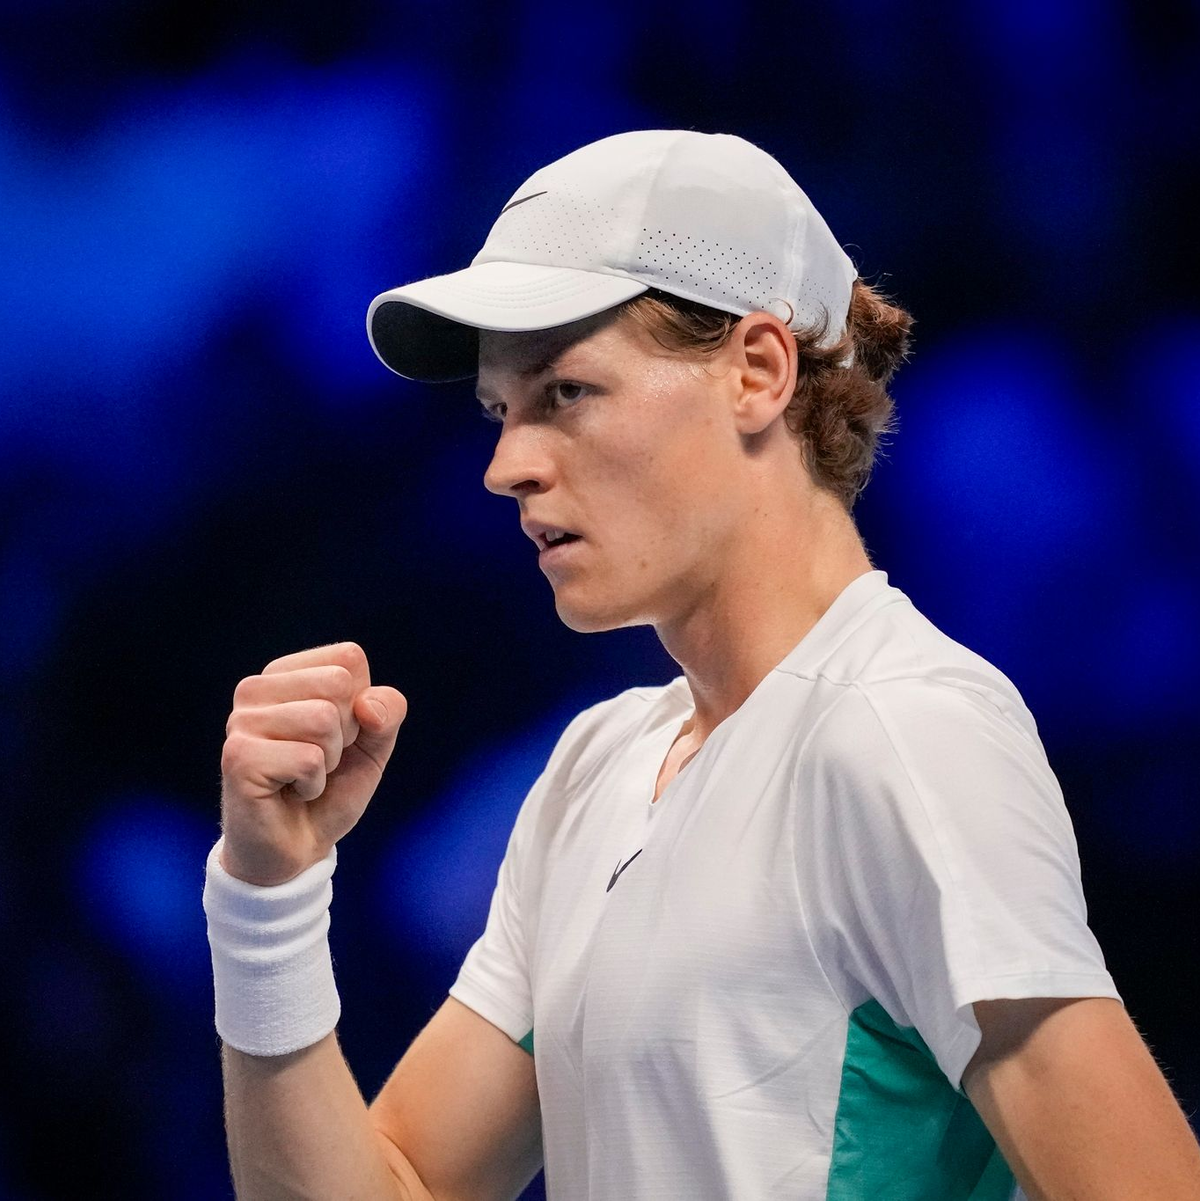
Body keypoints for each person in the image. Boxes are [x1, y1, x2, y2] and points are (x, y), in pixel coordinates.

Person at [203, 130, 1200, 1200]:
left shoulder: (908, 731)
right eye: (500, 412)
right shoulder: (597, 766)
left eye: (566, 393)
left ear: (758, 372)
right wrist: (269, 899)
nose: (505, 466)